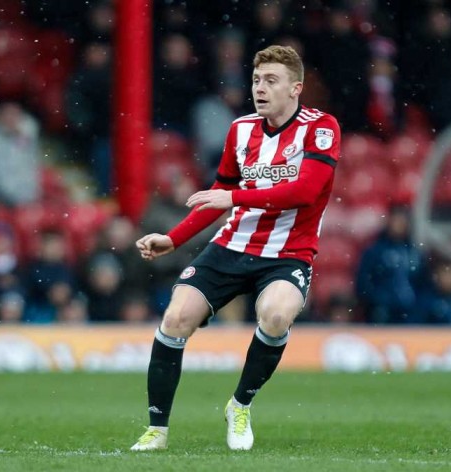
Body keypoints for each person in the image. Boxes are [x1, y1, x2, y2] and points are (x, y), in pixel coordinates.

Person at [131, 45, 341, 451]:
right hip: (232, 245)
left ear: (296, 88)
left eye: (271, 81)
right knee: (176, 318)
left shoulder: (322, 127)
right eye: (256, 80)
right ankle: (157, 429)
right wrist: (172, 239)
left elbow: (307, 190)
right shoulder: (240, 130)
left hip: (288, 252)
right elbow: (219, 194)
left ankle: (240, 404)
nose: (260, 89)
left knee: (277, 314)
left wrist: (236, 198)